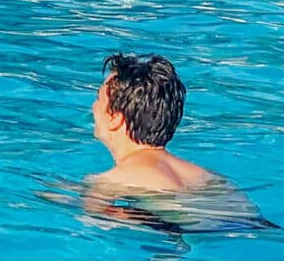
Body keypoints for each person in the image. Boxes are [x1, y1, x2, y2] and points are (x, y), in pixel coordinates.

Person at [81, 52, 258, 232]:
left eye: (99, 99)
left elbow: (93, 218)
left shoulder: (111, 181)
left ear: (115, 119)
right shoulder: (204, 175)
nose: (94, 107)